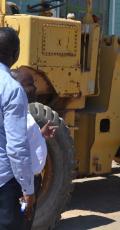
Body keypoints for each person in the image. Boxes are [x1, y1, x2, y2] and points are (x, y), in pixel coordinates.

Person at [11, 66, 57, 230]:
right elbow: (18, 152)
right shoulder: (20, 117)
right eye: (29, 84)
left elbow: (24, 139)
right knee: (23, 221)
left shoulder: (23, 113)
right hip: (24, 181)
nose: (35, 88)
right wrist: (28, 191)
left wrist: (40, 134)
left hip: (26, 180)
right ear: (17, 88)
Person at [0, 27, 34, 229]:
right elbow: (17, 147)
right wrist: (28, 188)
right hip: (4, 182)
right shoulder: (12, 89)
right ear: (15, 54)